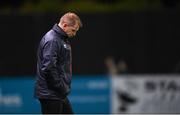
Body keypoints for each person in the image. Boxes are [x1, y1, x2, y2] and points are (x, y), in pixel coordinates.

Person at [34, 12, 82, 114]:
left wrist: (61, 89)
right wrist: (61, 87)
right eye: (73, 30)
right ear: (64, 25)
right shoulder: (53, 40)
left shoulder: (61, 38)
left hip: (57, 93)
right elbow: (48, 68)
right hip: (50, 94)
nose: (74, 34)